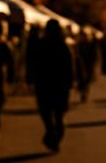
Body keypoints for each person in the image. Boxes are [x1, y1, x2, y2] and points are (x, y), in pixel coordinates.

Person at [32, 19, 75, 152]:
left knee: (46, 113)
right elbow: (70, 67)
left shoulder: (40, 45)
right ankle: (55, 136)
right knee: (59, 114)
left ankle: (51, 133)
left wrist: (33, 80)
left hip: (44, 85)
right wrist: (70, 83)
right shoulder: (64, 46)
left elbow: (35, 65)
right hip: (60, 85)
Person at [75, 29, 99, 102]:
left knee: (87, 80)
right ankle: (83, 93)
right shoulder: (78, 44)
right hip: (80, 65)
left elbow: (95, 55)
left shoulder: (91, 44)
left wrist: (93, 63)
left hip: (88, 65)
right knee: (82, 80)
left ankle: (85, 93)